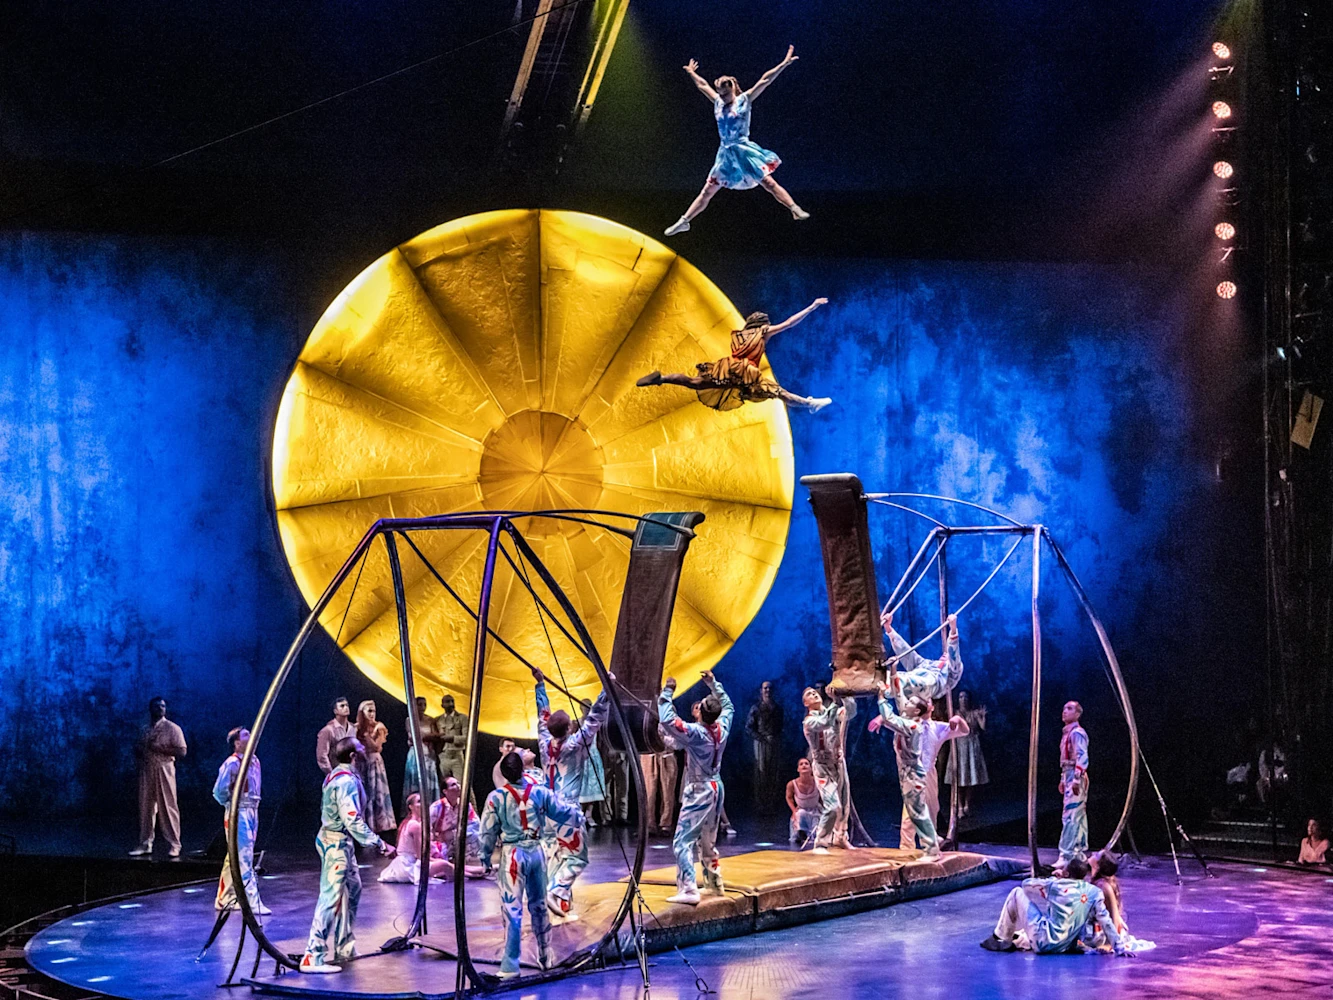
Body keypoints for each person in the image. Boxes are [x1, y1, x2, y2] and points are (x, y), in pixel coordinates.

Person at [664, 45, 809, 235]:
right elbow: (702, 86)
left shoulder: (744, 100)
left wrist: (783, 64)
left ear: (732, 88)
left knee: (769, 183)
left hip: (743, 150)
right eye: (719, 93)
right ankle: (684, 221)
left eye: (724, 93)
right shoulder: (717, 102)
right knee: (708, 190)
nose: (721, 97)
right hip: (725, 153)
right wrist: (691, 72)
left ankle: (794, 208)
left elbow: (765, 80)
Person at [478, 752, 585, 979]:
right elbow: (563, 811)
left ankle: (510, 966)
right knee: (538, 906)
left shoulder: (496, 798)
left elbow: (487, 831)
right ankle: (546, 956)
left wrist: (485, 856)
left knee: (512, 909)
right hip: (536, 853)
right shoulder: (539, 792)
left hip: (513, 854)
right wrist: (578, 815)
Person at [299, 737, 395, 974]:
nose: (364, 751)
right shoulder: (344, 782)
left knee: (353, 889)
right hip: (335, 842)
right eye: (361, 749)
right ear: (353, 756)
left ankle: (344, 945)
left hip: (341, 842)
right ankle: (313, 954)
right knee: (331, 896)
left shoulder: (341, 776)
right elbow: (351, 818)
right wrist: (379, 843)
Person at [636, 300, 831, 413]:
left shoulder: (739, 334)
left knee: (695, 382)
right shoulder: (763, 332)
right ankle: (809, 404)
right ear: (763, 323)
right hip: (746, 372)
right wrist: (812, 307)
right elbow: (788, 323)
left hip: (728, 368)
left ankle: (662, 378)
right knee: (779, 393)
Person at [533, 667, 610, 919]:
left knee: (557, 853)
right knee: (577, 858)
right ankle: (556, 891)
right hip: (566, 810)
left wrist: (541, 685)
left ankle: (559, 902)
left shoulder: (545, 743)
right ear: (569, 728)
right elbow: (594, 720)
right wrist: (606, 689)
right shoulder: (575, 745)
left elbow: (542, 714)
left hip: (547, 809)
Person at [658, 670, 733, 904]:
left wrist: (667, 692)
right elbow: (728, 704)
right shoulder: (723, 726)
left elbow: (668, 720)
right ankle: (714, 882)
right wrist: (713, 683)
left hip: (700, 789)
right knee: (708, 840)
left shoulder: (697, 733)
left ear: (701, 713)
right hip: (716, 786)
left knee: (682, 840)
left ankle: (689, 889)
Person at [870, 689, 969, 851]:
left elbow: (964, 731)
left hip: (927, 773)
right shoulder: (910, 724)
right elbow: (893, 720)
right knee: (910, 814)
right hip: (911, 773)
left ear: (930, 708)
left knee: (931, 809)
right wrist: (882, 717)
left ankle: (929, 845)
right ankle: (908, 848)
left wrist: (957, 718)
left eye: (927, 701)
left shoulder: (936, 727)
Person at [980, 858, 1130, 957]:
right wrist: (1119, 947)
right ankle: (1013, 937)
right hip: (1066, 947)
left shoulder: (1055, 885)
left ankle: (1000, 937)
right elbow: (1106, 920)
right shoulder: (1094, 892)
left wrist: (1053, 879)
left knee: (1016, 893)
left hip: (1043, 943)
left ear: (1066, 873)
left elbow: (1026, 885)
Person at [212, 727, 269, 915]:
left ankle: (224, 897)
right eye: (246, 735)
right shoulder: (232, 763)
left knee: (235, 856)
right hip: (239, 812)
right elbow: (219, 791)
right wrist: (231, 806)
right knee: (244, 856)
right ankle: (252, 901)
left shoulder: (254, 761)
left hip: (253, 809)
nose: (251, 736)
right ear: (237, 743)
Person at [130, 697, 188, 858]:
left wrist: (161, 749)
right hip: (147, 769)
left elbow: (182, 751)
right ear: (151, 709)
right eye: (156, 706)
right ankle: (145, 843)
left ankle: (175, 844)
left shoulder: (172, 728)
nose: (160, 709)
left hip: (164, 769)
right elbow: (138, 747)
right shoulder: (145, 729)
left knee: (168, 807)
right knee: (146, 808)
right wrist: (139, 750)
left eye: (162, 706)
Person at [801, 683, 855, 853]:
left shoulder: (834, 711)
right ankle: (821, 842)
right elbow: (824, 722)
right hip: (823, 767)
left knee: (845, 804)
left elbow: (850, 713)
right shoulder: (809, 721)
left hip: (838, 763)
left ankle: (840, 837)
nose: (814, 694)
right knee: (832, 805)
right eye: (809, 694)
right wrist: (834, 701)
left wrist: (846, 698)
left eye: (814, 692)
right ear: (806, 703)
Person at [880, 611, 964, 706]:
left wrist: (953, 628)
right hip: (914, 679)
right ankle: (883, 680)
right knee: (896, 676)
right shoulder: (925, 664)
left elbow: (954, 653)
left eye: (947, 654)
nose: (945, 653)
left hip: (931, 685)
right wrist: (889, 629)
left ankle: (891, 686)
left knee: (913, 681)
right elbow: (906, 653)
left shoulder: (952, 671)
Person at [1084, 852, 1155, 953]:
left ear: (1097, 865)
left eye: (1096, 855)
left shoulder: (1103, 886)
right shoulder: (1096, 881)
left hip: (1106, 932)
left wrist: (1109, 944)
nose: (1093, 853)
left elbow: (1114, 915)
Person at [378, 793, 451, 884]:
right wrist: (437, 860)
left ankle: (468, 873)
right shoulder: (414, 825)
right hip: (408, 866)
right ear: (411, 807)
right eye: (419, 802)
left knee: (452, 867)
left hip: (407, 863)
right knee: (445, 865)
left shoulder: (412, 823)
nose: (423, 804)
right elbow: (420, 856)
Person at [1056, 700, 1090, 872]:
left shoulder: (1077, 733)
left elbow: (1082, 757)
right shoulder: (1067, 734)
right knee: (1077, 815)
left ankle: (1067, 854)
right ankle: (1078, 852)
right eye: (1064, 708)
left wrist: (1076, 779)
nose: (1065, 711)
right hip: (1069, 773)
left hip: (1075, 775)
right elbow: (1066, 760)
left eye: (1069, 708)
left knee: (1071, 814)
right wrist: (1064, 779)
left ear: (1077, 713)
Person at [430, 776, 486, 878]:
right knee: (443, 867)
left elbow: (475, 824)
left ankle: (464, 864)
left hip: (455, 838)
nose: (458, 786)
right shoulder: (436, 807)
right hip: (440, 842)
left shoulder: (465, 805)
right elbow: (426, 827)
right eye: (453, 785)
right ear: (445, 791)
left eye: (458, 783)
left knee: (476, 836)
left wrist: (451, 834)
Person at [945, 690, 989, 817]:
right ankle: (959, 806)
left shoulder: (974, 713)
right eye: (960, 697)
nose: (963, 699)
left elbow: (983, 727)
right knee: (958, 777)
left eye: (965, 697)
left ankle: (967, 804)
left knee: (971, 777)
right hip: (958, 745)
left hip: (971, 745)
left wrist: (983, 717)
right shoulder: (954, 713)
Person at [355, 700, 395, 835]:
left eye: (374, 711)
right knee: (363, 792)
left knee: (376, 792)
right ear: (362, 712)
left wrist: (367, 737)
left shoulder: (379, 727)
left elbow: (377, 747)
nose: (372, 714)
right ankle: (364, 822)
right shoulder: (356, 728)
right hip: (361, 762)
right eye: (369, 711)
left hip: (374, 761)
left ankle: (378, 824)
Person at [745, 681, 785, 815]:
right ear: (761, 690)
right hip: (761, 742)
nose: (767, 691)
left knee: (774, 772)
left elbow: (781, 726)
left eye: (769, 688)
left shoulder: (778, 708)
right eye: (765, 688)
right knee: (761, 772)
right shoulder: (756, 708)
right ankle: (760, 804)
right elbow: (749, 727)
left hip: (775, 742)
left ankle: (771, 803)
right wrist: (761, 738)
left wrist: (775, 738)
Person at [403, 697, 441, 810]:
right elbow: (413, 736)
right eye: (419, 704)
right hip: (416, 754)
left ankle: (431, 809)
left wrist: (428, 737)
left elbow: (437, 735)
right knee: (417, 782)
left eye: (424, 704)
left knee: (429, 782)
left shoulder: (430, 720)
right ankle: (416, 809)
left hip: (429, 754)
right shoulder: (410, 720)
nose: (422, 707)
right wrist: (427, 737)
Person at [640, 745, 680, 836]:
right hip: (648, 751)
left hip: (667, 751)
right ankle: (649, 824)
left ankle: (666, 823)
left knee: (668, 791)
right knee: (648, 791)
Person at [577, 720, 608, 827]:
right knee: (582, 788)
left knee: (594, 787)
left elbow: (599, 740)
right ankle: (579, 814)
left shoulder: (594, 722)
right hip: (581, 756)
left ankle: (589, 814)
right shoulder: (577, 721)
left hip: (594, 755)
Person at [315, 697, 355, 776]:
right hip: (336, 773)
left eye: (347, 705)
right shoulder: (328, 730)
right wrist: (332, 773)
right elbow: (321, 756)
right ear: (335, 711)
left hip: (352, 774)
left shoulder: (353, 728)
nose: (346, 708)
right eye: (342, 706)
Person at [785, 757, 820, 846]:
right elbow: (789, 797)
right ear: (798, 769)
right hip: (801, 809)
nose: (804, 765)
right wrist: (793, 810)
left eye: (806, 764)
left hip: (816, 810)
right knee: (799, 815)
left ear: (811, 768)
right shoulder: (792, 784)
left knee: (817, 833)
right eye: (801, 764)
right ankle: (800, 837)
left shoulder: (818, 781)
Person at [435, 694, 468, 786]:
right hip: (443, 757)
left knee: (463, 785)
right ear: (442, 705)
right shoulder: (438, 720)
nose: (451, 704)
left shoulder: (462, 718)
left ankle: (469, 801)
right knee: (444, 786)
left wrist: (452, 738)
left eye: (452, 701)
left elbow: (467, 738)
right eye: (448, 702)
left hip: (456, 756)